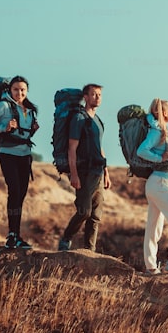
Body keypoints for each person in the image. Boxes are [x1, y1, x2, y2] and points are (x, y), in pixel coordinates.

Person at [0, 75, 39, 249]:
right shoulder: (3, 106)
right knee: (14, 191)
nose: (19, 93)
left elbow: (24, 133)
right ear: (9, 90)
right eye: (16, 89)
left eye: (22, 90)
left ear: (27, 91)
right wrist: (2, 128)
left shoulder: (29, 109)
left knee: (20, 195)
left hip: (25, 155)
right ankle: (12, 235)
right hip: (8, 154)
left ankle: (17, 235)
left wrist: (33, 131)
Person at [135, 98, 168, 274]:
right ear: (164, 113)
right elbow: (142, 150)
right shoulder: (157, 132)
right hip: (159, 183)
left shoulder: (161, 131)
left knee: (154, 228)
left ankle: (151, 267)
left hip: (156, 184)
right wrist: (160, 159)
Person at [58, 84, 111, 252]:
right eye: (93, 94)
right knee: (84, 211)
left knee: (96, 216)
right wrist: (74, 174)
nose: (97, 97)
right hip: (84, 171)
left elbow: (100, 147)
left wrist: (106, 172)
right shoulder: (79, 118)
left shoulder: (98, 120)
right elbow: (71, 148)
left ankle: (89, 250)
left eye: (100, 94)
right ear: (85, 97)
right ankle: (66, 238)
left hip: (98, 172)